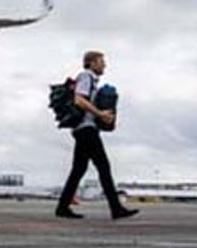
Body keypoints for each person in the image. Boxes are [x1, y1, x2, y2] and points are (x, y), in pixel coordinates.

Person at [55, 50, 139, 220]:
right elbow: (79, 99)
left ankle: (62, 208)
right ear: (91, 63)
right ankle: (116, 208)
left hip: (84, 129)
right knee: (103, 167)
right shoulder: (86, 76)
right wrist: (100, 114)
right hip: (86, 129)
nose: (104, 65)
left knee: (79, 169)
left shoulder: (91, 79)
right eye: (101, 61)